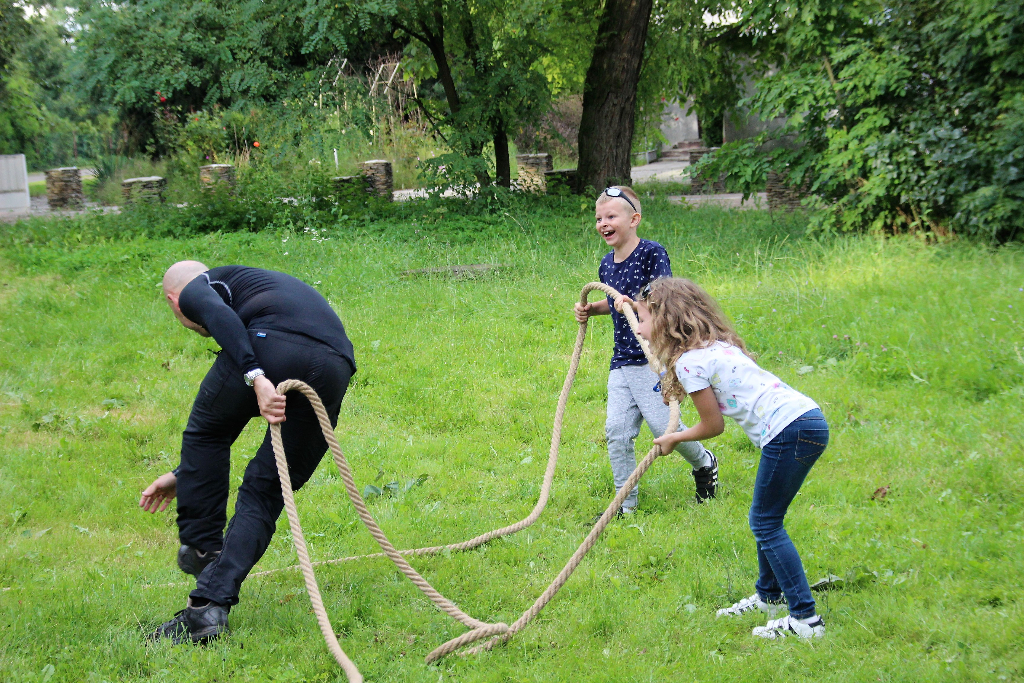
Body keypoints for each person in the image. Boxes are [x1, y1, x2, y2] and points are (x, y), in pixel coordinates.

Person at [140, 261, 356, 644]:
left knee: (205, 433)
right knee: (266, 489)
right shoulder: (262, 285)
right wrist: (185, 474)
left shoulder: (196, 286)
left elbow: (221, 317)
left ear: (175, 302)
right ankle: (209, 608)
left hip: (268, 344)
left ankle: (201, 549)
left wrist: (255, 376)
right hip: (334, 364)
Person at [635, 277, 827, 639]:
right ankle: (769, 597)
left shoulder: (691, 363)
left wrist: (676, 437)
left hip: (787, 430)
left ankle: (805, 620)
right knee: (767, 517)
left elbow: (713, 425)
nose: (640, 329)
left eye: (643, 319)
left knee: (765, 523)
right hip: (808, 419)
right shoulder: (716, 344)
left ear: (663, 322)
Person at [573, 186, 718, 517]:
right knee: (616, 433)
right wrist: (593, 308)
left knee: (663, 429)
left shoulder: (652, 253)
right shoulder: (606, 265)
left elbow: (663, 301)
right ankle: (625, 505)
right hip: (621, 360)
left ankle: (704, 462)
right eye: (599, 218)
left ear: (634, 219)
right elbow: (614, 304)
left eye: (611, 216)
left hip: (652, 359)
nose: (603, 223)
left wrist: (634, 302)